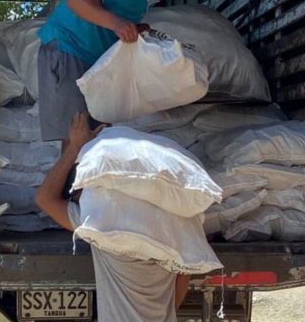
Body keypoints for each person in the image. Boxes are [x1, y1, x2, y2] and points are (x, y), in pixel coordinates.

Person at [36, 0, 196, 149]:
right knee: (77, 139)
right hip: (68, 47)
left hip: (92, 60)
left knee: (97, 135)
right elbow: (77, 0)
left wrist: (132, 29)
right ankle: (71, 172)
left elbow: (112, 17)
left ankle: (86, 171)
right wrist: (117, 24)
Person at [35, 112, 190, 322]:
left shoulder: (165, 225)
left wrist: (75, 149)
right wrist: (74, 148)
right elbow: (45, 199)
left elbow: (184, 271)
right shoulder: (106, 230)